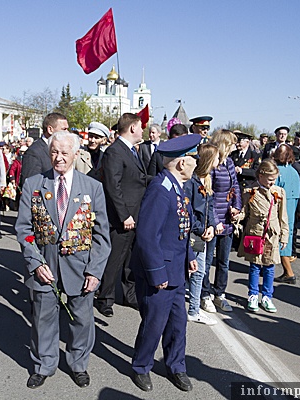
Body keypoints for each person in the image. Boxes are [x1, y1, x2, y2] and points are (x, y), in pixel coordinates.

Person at [15, 131, 111, 389]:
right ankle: (44, 364)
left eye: (64, 153)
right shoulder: (34, 184)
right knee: (43, 319)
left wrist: (95, 271)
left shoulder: (92, 187)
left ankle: (78, 364)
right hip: (44, 266)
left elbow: (101, 235)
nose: (58, 158)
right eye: (54, 152)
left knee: (82, 320)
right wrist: (35, 263)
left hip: (81, 268)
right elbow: (25, 230)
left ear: (76, 154)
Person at [129, 134, 200, 393]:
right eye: (193, 158)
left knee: (178, 324)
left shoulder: (175, 186)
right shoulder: (160, 190)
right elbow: (148, 237)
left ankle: (176, 366)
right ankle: (141, 366)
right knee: (154, 325)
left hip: (177, 271)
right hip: (160, 274)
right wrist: (157, 273)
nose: (197, 162)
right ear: (181, 163)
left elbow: (178, 230)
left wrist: (189, 257)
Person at [96, 113, 151, 317]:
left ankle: (129, 295)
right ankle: (105, 298)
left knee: (130, 259)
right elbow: (112, 186)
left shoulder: (131, 150)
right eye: (140, 126)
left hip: (136, 214)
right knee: (115, 259)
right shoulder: (115, 152)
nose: (143, 130)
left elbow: (138, 179)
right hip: (123, 218)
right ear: (132, 128)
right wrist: (124, 215)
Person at [238, 160, 289, 313]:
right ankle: (253, 295)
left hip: (272, 233)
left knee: (269, 266)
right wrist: (236, 217)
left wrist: (284, 235)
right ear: (260, 176)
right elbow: (244, 212)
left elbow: (283, 216)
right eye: (270, 179)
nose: (273, 182)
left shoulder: (279, 192)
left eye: (274, 179)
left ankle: (267, 296)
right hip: (255, 233)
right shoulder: (250, 192)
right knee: (254, 266)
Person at [201, 129, 241, 314]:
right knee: (208, 261)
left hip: (228, 219)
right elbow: (209, 195)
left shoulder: (230, 163)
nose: (235, 146)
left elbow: (236, 188)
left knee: (224, 261)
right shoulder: (213, 164)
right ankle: (204, 294)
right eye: (232, 143)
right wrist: (214, 221)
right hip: (213, 219)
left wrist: (237, 208)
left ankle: (220, 293)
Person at [184, 144, 219, 325]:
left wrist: (212, 225)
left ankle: (194, 308)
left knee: (200, 271)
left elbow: (210, 207)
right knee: (193, 271)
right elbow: (188, 210)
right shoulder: (192, 182)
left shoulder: (207, 179)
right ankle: (192, 309)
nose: (219, 162)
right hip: (194, 234)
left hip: (203, 233)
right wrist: (200, 229)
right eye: (216, 158)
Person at [272, 144, 300, 284]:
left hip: (282, 206)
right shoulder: (293, 171)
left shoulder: (278, 172)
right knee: (287, 234)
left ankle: (289, 272)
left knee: (282, 236)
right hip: (291, 205)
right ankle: (287, 271)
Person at [19, 113, 68, 189]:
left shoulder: (63, 150)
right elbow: (30, 186)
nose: (67, 133)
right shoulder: (34, 152)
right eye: (64, 129)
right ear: (50, 129)